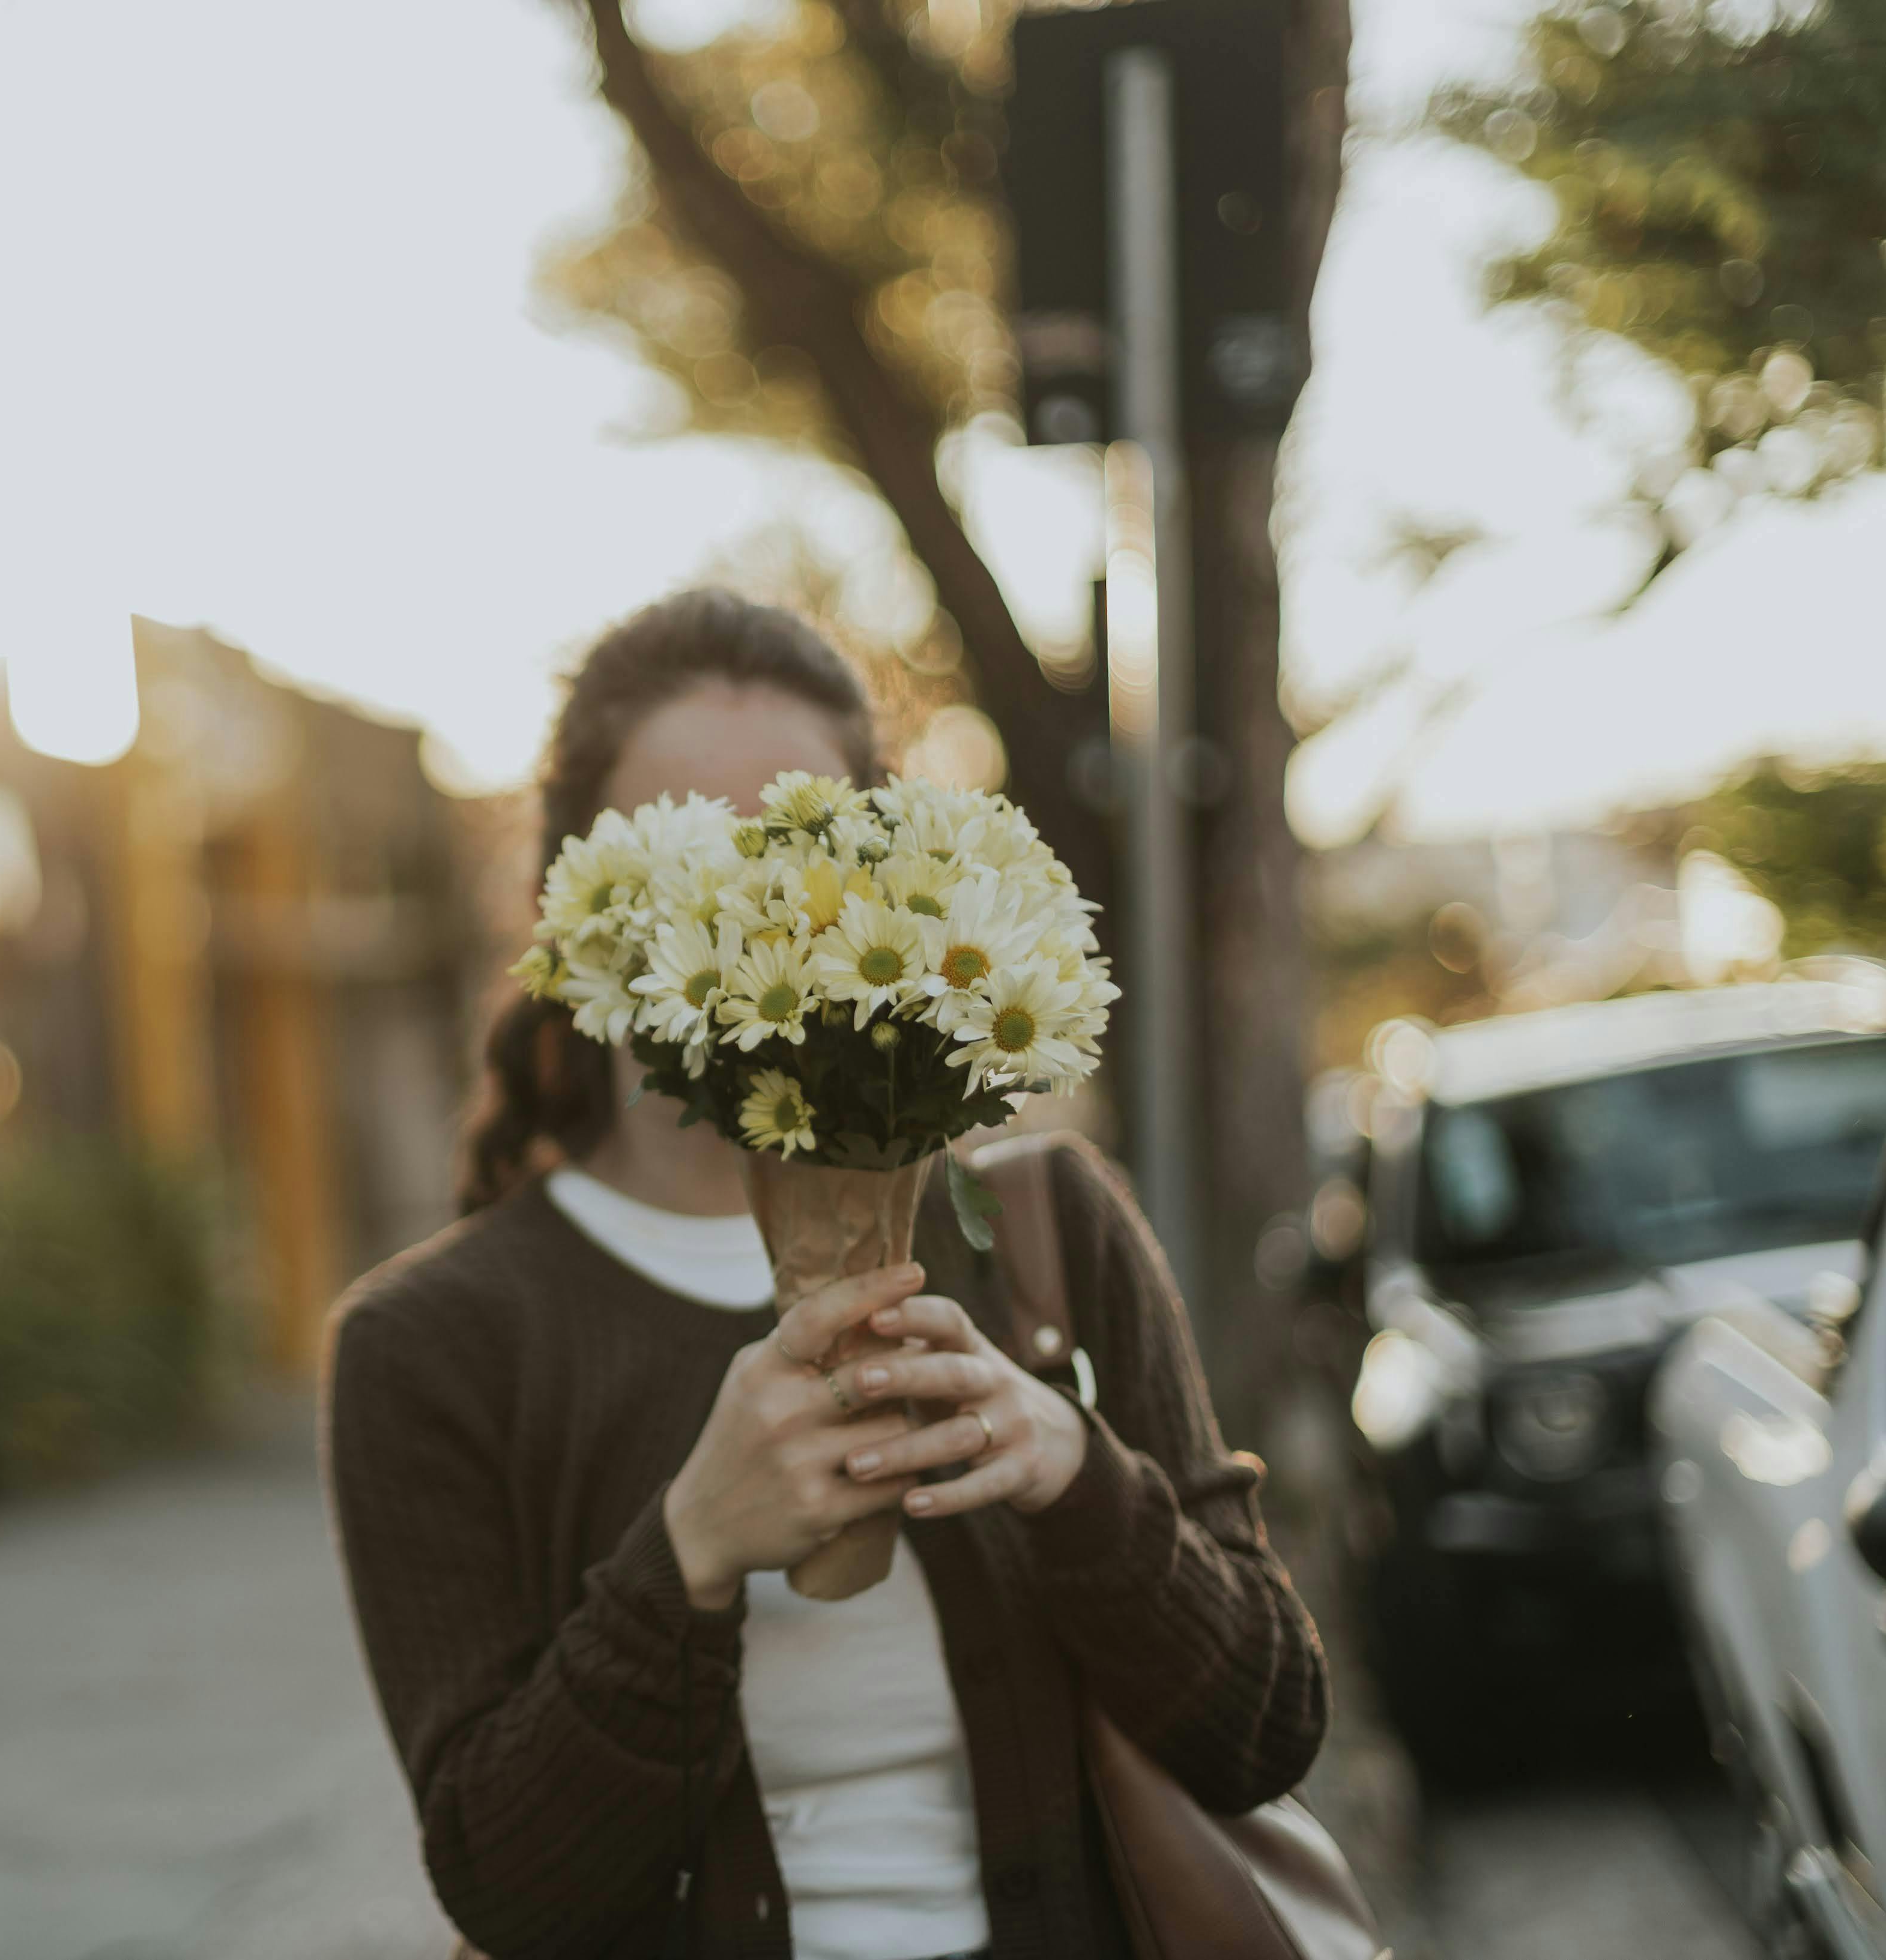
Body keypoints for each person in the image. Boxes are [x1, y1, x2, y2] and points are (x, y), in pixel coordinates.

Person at [321, 590, 1328, 1960]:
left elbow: (1264, 1729)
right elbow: (506, 1888)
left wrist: (1073, 1472)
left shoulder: (1043, 1225)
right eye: (696, 860)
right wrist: (689, 1553)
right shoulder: (427, 1342)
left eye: (800, 846)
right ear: (580, 903)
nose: (761, 909)